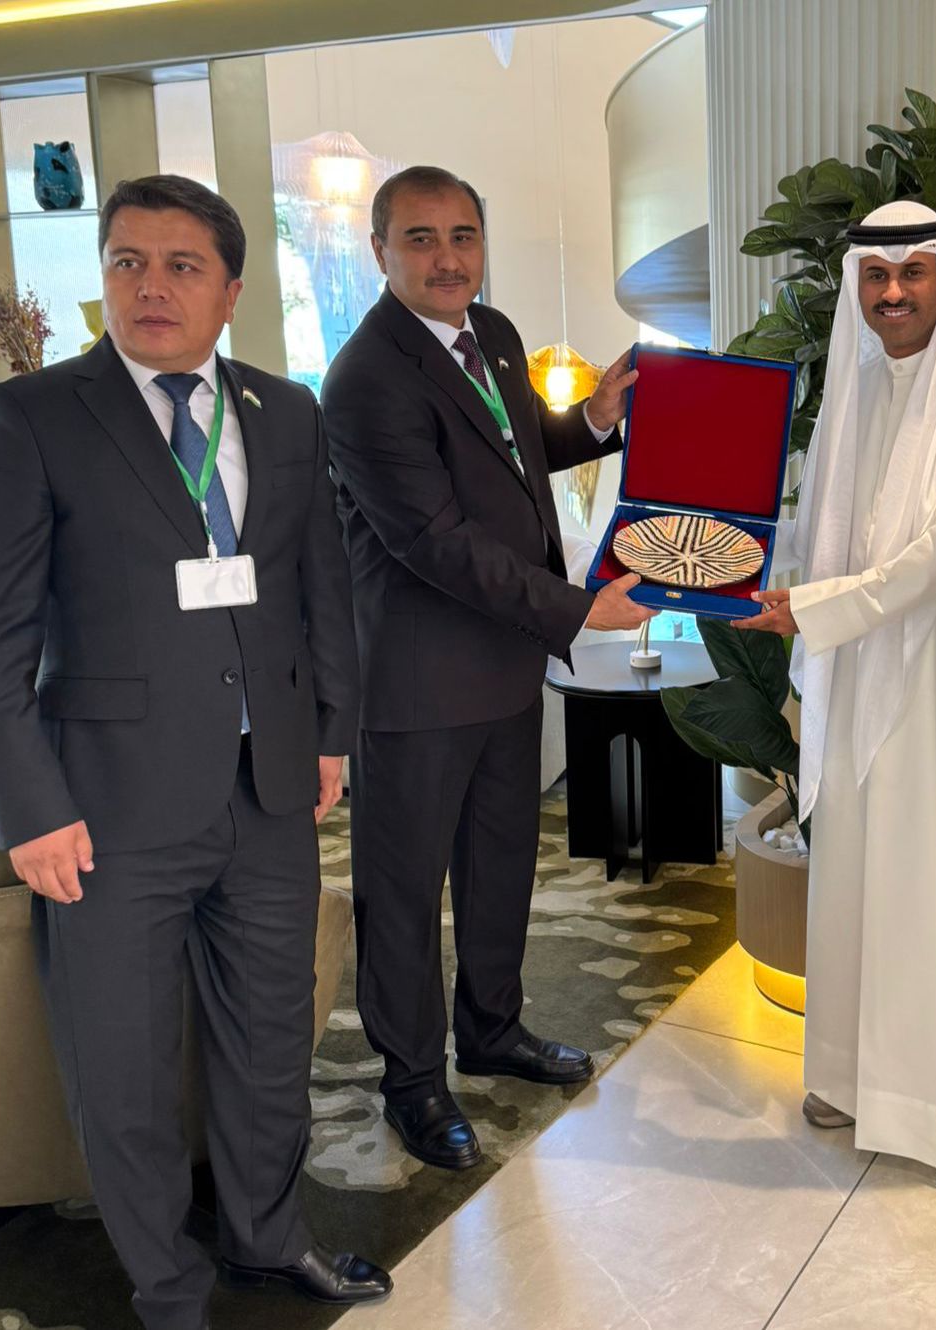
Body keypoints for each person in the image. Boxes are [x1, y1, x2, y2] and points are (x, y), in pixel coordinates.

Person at [0, 175, 388, 1330]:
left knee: (269, 1039)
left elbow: (321, 589)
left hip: (267, 792)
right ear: (102, 277)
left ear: (232, 290)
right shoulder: (32, 417)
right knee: (125, 1064)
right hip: (106, 810)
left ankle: (266, 1240)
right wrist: (29, 805)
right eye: (127, 262)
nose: (151, 286)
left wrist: (327, 738)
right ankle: (167, 1284)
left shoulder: (285, 409)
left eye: (182, 265)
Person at [322, 165, 654, 1173]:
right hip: (418, 682)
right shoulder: (366, 377)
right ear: (379, 251)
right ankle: (413, 1080)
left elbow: (510, 451)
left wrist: (591, 419)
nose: (447, 256)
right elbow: (434, 539)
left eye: (462, 234)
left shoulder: (495, 333)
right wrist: (576, 607)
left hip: (504, 665)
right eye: (419, 238)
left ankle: (494, 1028)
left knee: (505, 860)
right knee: (406, 890)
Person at [739, 199, 936, 1178]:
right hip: (865, 678)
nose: (892, 293)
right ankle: (854, 1074)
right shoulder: (862, 386)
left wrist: (815, 608)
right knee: (865, 878)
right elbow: (820, 526)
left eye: (913, 273)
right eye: (876, 278)